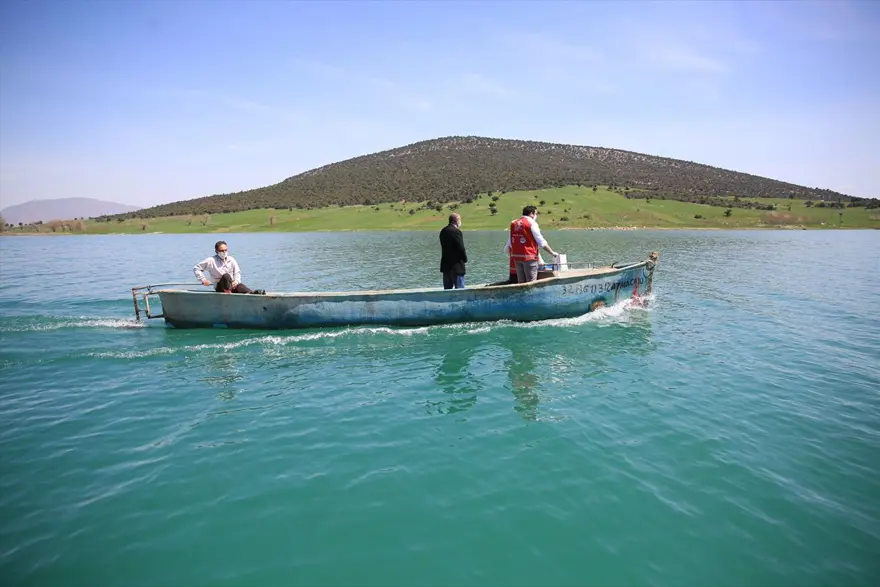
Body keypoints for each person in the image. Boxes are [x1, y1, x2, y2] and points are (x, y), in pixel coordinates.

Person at [505, 205, 558, 283]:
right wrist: (552, 253)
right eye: (536, 214)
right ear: (531, 214)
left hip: (517, 257)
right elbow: (541, 242)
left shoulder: (514, 223)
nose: (536, 216)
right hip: (529, 257)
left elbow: (510, 243)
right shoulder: (531, 223)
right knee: (531, 283)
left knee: (521, 283)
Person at [193, 240, 265, 294]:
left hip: (232, 285)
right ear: (216, 251)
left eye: (225, 250)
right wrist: (203, 280)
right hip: (220, 286)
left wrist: (236, 281)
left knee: (240, 285)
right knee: (226, 276)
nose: (224, 252)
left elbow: (237, 273)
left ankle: (253, 293)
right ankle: (228, 293)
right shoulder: (211, 260)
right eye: (221, 251)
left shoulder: (231, 259)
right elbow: (197, 268)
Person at [439, 212, 467, 289]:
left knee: (447, 291)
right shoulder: (456, 232)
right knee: (460, 291)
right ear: (456, 220)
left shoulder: (443, 231)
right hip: (456, 266)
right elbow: (461, 248)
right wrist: (465, 259)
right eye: (460, 219)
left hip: (446, 266)